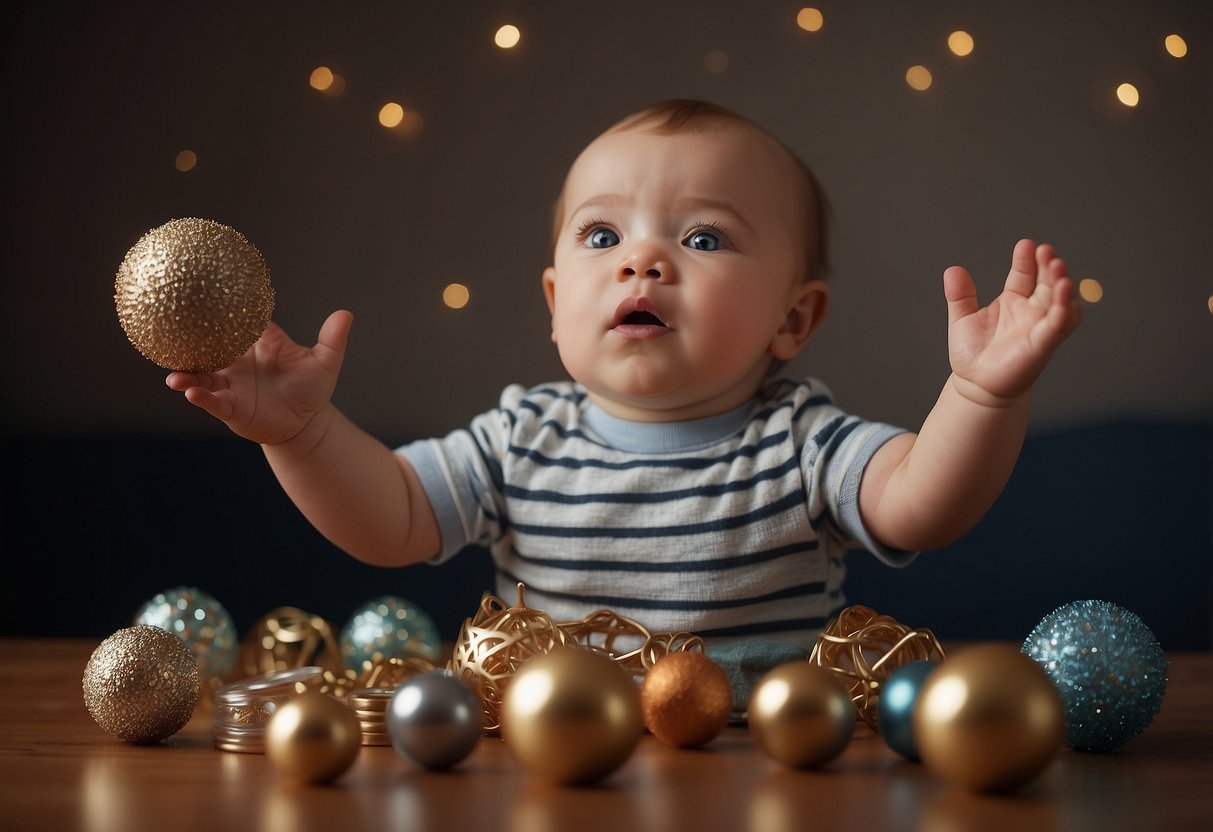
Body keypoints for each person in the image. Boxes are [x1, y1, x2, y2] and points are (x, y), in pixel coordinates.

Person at [167, 99, 1081, 649]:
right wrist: (301, 434)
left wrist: (980, 393)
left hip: (770, 770)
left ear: (791, 319)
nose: (642, 261)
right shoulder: (522, 437)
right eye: (603, 236)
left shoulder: (801, 439)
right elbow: (396, 520)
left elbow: (923, 503)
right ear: (556, 300)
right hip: (557, 769)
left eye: (702, 238)